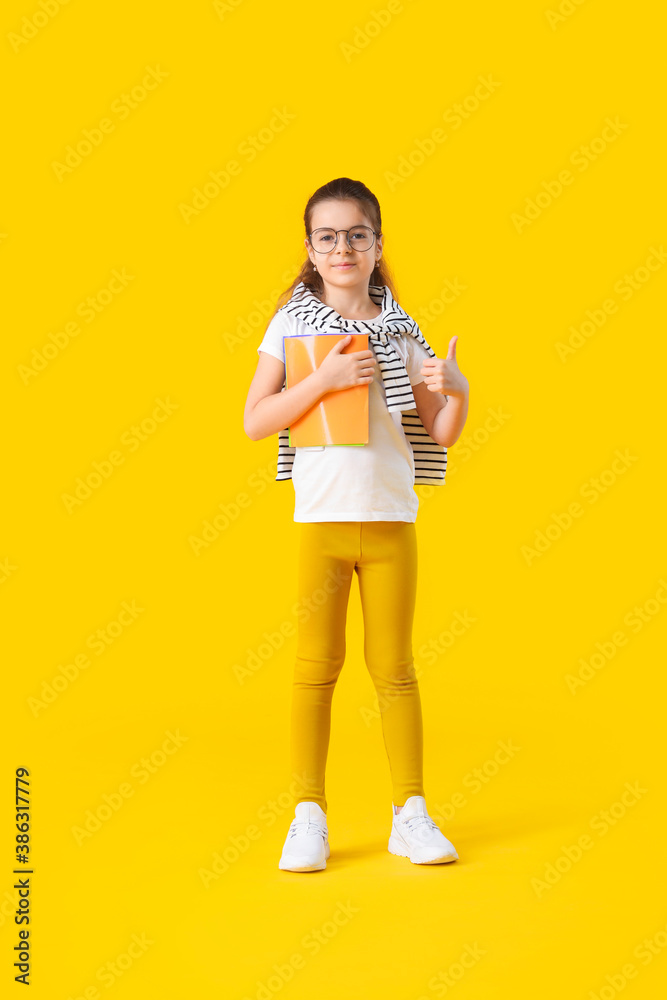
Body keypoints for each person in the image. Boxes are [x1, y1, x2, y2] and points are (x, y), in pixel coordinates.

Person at [243, 177, 470, 872]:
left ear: (377, 245)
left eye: (356, 234)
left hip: (391, 519)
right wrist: (321, 383)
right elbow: (256, 420)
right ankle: (307, 813)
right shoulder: (288, 325)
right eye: (328, 236)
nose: (342, 247)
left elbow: (440, 430)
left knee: (394, 671)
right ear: (310, 250)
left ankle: (410, 812)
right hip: (322, 521)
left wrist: (455, 390)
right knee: (316, 670)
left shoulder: (403, 330)